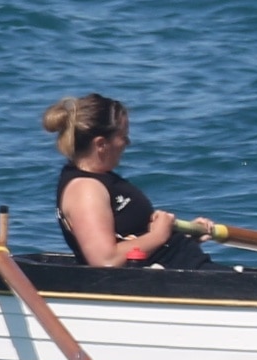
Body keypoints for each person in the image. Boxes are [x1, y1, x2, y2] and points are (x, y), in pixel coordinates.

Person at [41, 93, 211, 269]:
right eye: (123, 136)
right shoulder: (85, 190)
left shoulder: (102, 180)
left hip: (186, 268)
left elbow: (134, 237)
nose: (128, 142)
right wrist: (159, 235)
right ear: (101, 144)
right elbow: (106, 260)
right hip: (169, 280)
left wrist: (184, 234)